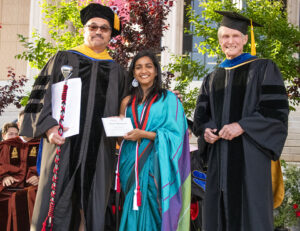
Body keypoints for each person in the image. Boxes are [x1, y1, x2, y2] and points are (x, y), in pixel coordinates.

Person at [19, 3, 126, 231]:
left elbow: (127, 110)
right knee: (55, 204)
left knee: (94, 207)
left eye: (104, 28)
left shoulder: (117, 71)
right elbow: (39, 97)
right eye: (93, 26)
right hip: (62, 145)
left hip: (100, 152)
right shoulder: (62, 59)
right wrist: (48, 128)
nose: (98, 31)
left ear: (110, 35)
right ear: (84, 30)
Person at [193, 11, 289, 231]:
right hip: (219, 161)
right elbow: (201, 114)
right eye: (225, 37)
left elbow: (276, 113)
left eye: (235, 36)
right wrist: (206, 131)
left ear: (246, 39)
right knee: (218, 215)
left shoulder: (264, 69)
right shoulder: (212, 78)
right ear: (219, 41)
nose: (230, 41)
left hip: (250, 159)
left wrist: (242, 126)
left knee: (250, 214)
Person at [116, 50, 191, 231]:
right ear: (133, 73)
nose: (144, 71)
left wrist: (143, 134)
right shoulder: (126, 101)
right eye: (138, 67)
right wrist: (117, 127)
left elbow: (177, 135)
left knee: (154, 209)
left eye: (149, 66)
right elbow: (121, 138)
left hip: (157, 164)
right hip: (129, 162)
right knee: (131, 207)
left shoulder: (169, 98)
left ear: (156, 71)